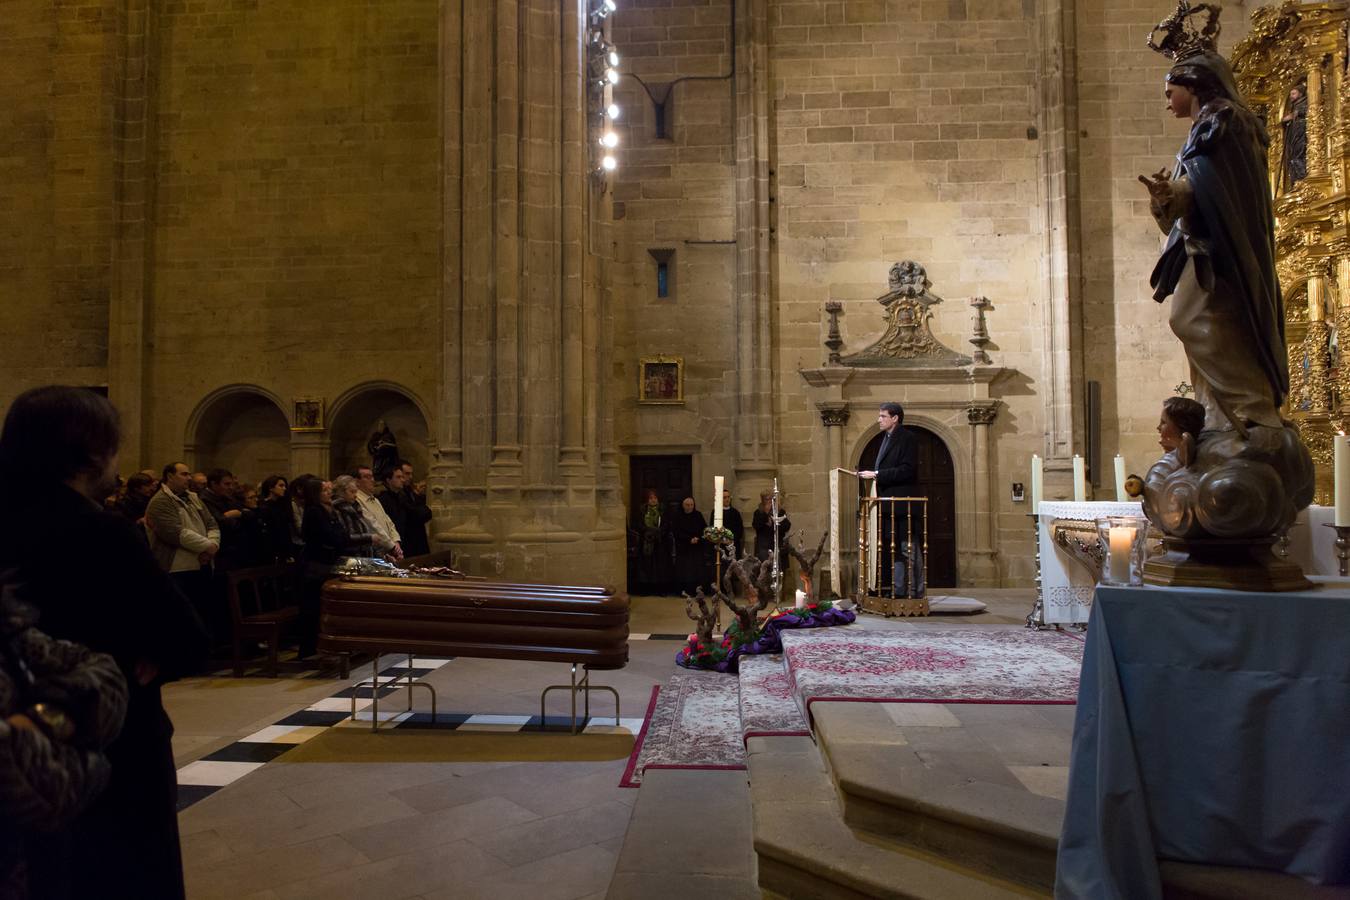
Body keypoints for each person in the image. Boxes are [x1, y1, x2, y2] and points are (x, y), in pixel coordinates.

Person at [0, 385, 209, 900]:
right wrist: (149, 653)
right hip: (109, 749)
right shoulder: (100, 533)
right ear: (93, 451)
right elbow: (188, 639)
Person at [1139, 48, 1287, 435]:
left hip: (1220, 250)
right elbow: (1201, 189)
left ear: (1193, 85)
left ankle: (1249, 408)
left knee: (1193, 319)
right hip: (1203, 245)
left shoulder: (1225, 122)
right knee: (1201, 321)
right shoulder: (1206, 125)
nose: (1167, 101)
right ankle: (1220, 413)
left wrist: (1177, 192)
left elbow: (1220, 186)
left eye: (1171, 91)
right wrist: (1166, 198)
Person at [0, 579, 129, 900]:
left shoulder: (8, 627)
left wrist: (43, 718)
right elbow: (43, 786)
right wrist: (84, 755)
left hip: (41, 861)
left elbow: (102, 671)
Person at [146, 462, 223, 641]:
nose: (189, 478)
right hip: (177, 568)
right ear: (170, 476)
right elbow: (175, 532)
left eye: (189, 474)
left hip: (202, 563)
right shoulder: (160, 501)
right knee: (182, 618)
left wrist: (212, 546)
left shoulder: (193, 497)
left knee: (202, 613)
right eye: (184, 474)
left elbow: (211, 523)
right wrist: (208, 546)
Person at [298, 479, 372, 657]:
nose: (328, 492)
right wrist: (340, 539)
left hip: (327, 564)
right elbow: (333, 537)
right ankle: (311, 649)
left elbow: (342, 535)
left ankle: (332, 644)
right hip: (315, 567)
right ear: (314, 493)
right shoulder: (314, 512)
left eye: (329, 489)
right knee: (314, 609)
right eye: (324, 490)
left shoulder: (328, 510)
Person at [858, 402, 923, 596]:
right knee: (895, 550)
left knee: (908, 548)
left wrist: (876, 474)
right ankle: (900, 590)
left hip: (903, 504)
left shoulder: (907, 438)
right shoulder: (886, 438)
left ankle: (916, 591)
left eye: (882, 416)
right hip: (888, 504)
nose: (879, 419)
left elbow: (908, 470)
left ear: (895, 418)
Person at [331, 475, 395, 557]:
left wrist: (382, 556)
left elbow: (364, 533)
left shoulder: (355, 507)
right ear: (341, 492)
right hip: (349, 558)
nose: (355, 495)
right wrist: (369, 538)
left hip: (362, 556)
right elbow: (345, 538)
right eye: (352, 492)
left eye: (356, 492)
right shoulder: (338, 509)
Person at [377, 464, 431, 559]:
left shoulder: (405, 496)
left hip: (411, 542)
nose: (403, 480)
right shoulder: (383, 499)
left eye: (402, 476)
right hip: (398, 544)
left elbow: (425, 513)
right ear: (388, 480)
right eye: (398, 477)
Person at [670, 497, 709, 596]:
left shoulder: (698, 515)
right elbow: (676, 531)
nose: (690, 507)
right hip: (684, 547)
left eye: (691, 505)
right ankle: (684, 591)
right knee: (685, 570)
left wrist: (698, 538)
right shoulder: (677, 516)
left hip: (697, 547)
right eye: (687, 505)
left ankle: (697, 590)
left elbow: (704, 529)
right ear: (683, 505)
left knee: (697, 569)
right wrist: (688, 539)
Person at [721, 488, 745, 559]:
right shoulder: (716, 512)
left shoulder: (735, 512)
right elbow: (713, 528)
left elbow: (740, 528)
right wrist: (724, 539)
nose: (727, 499)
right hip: (722, 544)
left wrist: (731, 539)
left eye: (728, 497)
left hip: (734, 544)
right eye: (724, 497)